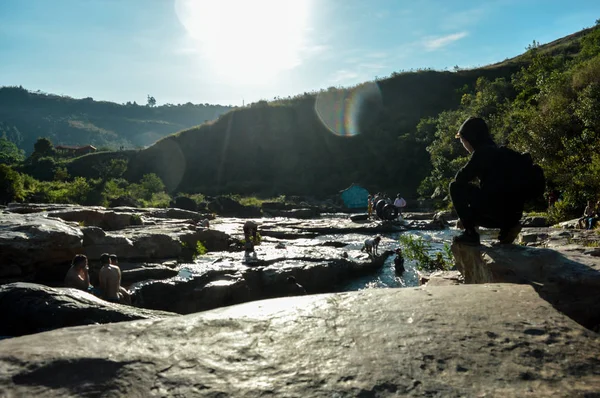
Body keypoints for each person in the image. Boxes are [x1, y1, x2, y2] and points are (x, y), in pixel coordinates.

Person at [450, 117, 525, 245]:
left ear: (470, 139)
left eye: (463, 141)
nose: (464, 145)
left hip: (496, 215)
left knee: (455, 187)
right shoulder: (503, 152)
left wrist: (466, 217)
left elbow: (460, 178)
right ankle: (507, 230)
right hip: (514, 215)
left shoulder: (482, 153)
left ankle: (470, 234)